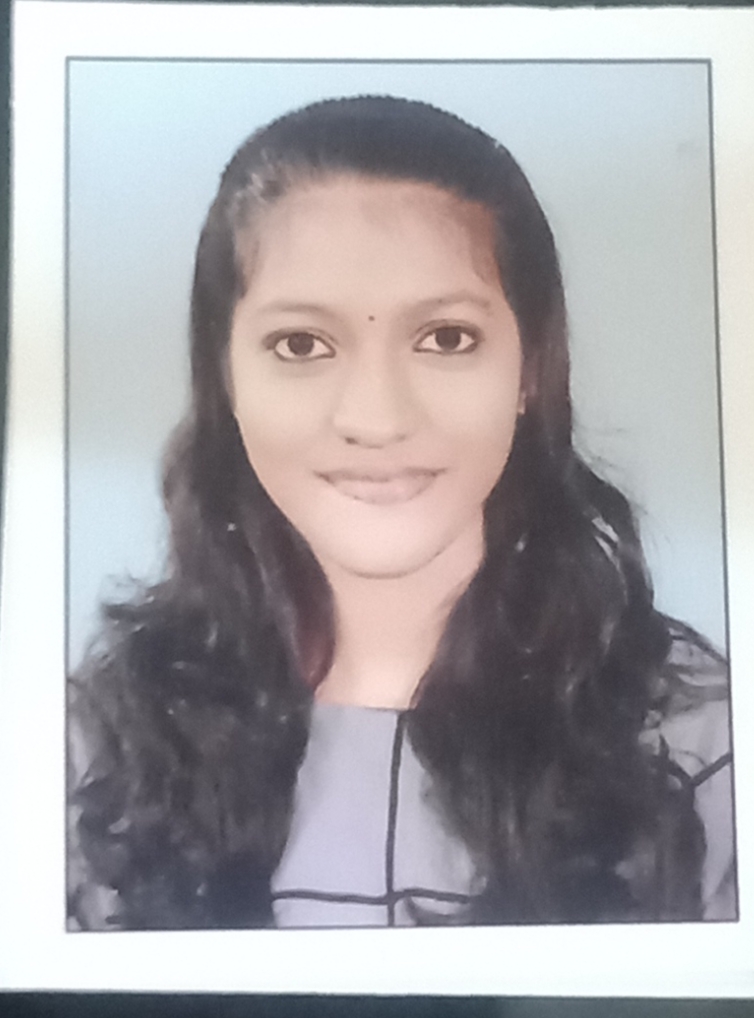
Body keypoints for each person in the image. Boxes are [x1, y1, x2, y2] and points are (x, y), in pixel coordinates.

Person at [67, 95, 735, 931]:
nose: (378, 419)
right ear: (226, 376)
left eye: (446, 339)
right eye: (302, 345)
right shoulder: (92, 750)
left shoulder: (703, 741)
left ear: (530, 369)